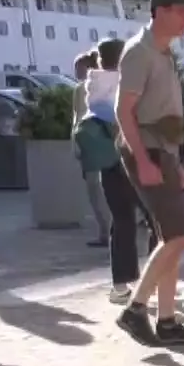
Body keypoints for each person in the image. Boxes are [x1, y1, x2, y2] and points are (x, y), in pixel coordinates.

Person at [114, 0, 184, 347]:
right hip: (148, 152)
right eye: (183, 11)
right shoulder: (139, 53)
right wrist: (144, 160)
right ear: (160, 11)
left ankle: (167, 321)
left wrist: (173, 159)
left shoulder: (163, 52)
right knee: (180, 236)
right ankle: (135, 309)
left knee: (169, 238)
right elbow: (124, 112)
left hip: (161, 152)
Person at [78, 37, 145, 304]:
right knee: (155, 220)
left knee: (121, 220)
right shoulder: (127, 82)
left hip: (108, 159)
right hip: (133, 156)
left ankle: (120, 285)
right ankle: (156, 281)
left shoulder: (90, 85)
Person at [72, 51, 112, 250]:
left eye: (79, 68)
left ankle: (106, 232)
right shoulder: (107, 87)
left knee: (96, 191)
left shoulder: (82, 90)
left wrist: (76, 146)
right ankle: (108, 230)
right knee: (102, 190)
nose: (76, 72)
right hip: (105, 144)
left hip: (90, 144)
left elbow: (77, 120)